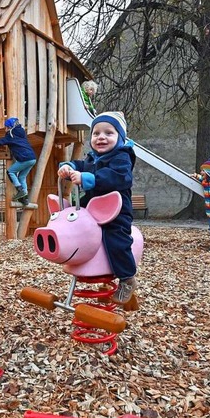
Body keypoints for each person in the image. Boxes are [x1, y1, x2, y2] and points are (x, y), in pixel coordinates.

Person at [57, 111, 137, 304]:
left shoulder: (121, 158)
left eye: (109, 133)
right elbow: (78, 164)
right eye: (96, 133)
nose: (101, 137)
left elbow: (118, 177)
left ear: (120, 138)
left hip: (116, 211)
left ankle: (127, 278)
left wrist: (88, 178)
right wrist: (67, 166)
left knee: (116, 238)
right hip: (91, 211)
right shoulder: (91, 159)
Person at [0, 117, 36, 204]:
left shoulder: (10, 136)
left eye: (6, 127)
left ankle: (19, 189)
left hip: (25, 158)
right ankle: (24, 198)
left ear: (10, 127)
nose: (5, 129)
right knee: (22, 177)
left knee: (10, 172)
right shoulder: (21, 134)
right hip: (32, 158)